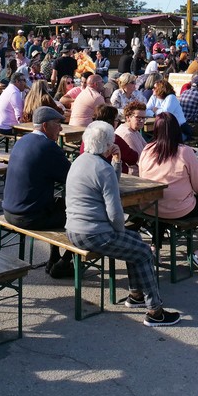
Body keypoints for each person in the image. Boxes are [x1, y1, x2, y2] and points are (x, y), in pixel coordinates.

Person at [65, 121, 182, 327]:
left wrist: (117, 162)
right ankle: (155, 311)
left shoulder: (80, 161)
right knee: (143, 252)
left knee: (134, 239)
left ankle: (136, 294)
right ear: (108, 144)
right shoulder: (103, 169)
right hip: (94, 234)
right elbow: (115, 213)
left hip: (74, 229)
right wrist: (119, 231)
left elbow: (109, 183)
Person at [136, 112, 198, 274]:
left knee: (163, 201)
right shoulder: (184, 152)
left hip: (150, 206)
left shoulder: (147, 150)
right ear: (176, 129)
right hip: (178, 208)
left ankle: (155, 247)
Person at [2, 106, 75, 278]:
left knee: (59, 204)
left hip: (9, 211)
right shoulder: (47, 147)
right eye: (57, 123)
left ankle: (54, 257)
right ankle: (65, 262)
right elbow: (73, 177)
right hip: (29, 217)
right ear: (45, 126)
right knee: (83, 215)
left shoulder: (22, 141)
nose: (61, 128)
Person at [115, 101, 148, 175]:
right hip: (135, 175)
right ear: (128, 117)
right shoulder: (127, 134)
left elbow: (146, 148)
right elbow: (141, 159)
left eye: (143, 118)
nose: (142, 121)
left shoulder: (134, 130)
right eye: (138, 118)